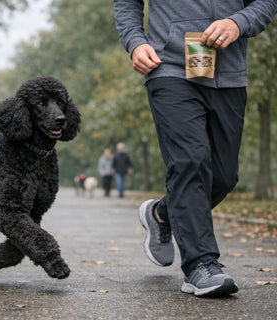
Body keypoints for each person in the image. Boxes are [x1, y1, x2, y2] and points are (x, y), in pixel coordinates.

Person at [113, 0, 277, 297]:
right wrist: (136, 42)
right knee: (191, 161)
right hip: (169, 66)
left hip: (229, 72)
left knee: (224, 177)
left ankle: (162, 213)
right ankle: (201, 265)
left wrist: (238, 22)